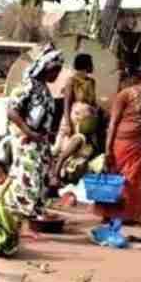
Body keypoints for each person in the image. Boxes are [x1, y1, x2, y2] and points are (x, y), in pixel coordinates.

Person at [96, 66, 141, 224]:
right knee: (118, 179)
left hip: (139, 143)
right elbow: (113, 123)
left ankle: (128, 214)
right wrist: (108, 149)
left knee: (135, 180)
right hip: (121, 143)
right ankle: (111, 213)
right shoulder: (125, 94)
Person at [4, 45, 64, 219]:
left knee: (40, 178)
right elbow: (11, 111)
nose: (57, 75)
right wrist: (28, 131)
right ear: (46, 68)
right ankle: (21, 215)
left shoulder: (43, 88)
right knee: (29, 178)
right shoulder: (29, 85)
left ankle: (33, 214)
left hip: (40, 141)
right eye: (55, 71)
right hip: (28, 140)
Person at [51, 54, 99, 186]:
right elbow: (66, 103)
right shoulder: (71, 81)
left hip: (87, 118)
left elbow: (92, 102)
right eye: (91, 63)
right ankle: (56, 171)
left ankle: (64, 175)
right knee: (72, 143)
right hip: (74, 117)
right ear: (86, 65)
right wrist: (67, 123)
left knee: (80, 147)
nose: (93, 66)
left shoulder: (91, 82)